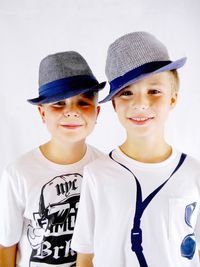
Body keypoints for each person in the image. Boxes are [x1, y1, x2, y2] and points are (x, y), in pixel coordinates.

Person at [71, 32, 200, 267]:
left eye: (154, 91)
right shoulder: (97, 174)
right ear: (114, 104)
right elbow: (85, 257)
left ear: (173, 99)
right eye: (127, 93)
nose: (141, 103)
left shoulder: (194, 173)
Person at [0, 51, 106, 267]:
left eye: (83, 103)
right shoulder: (19, 173)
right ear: (42, 113)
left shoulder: (106, 168)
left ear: (98, 112)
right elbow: (6, 246)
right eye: (59, 104)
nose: (72, 112)